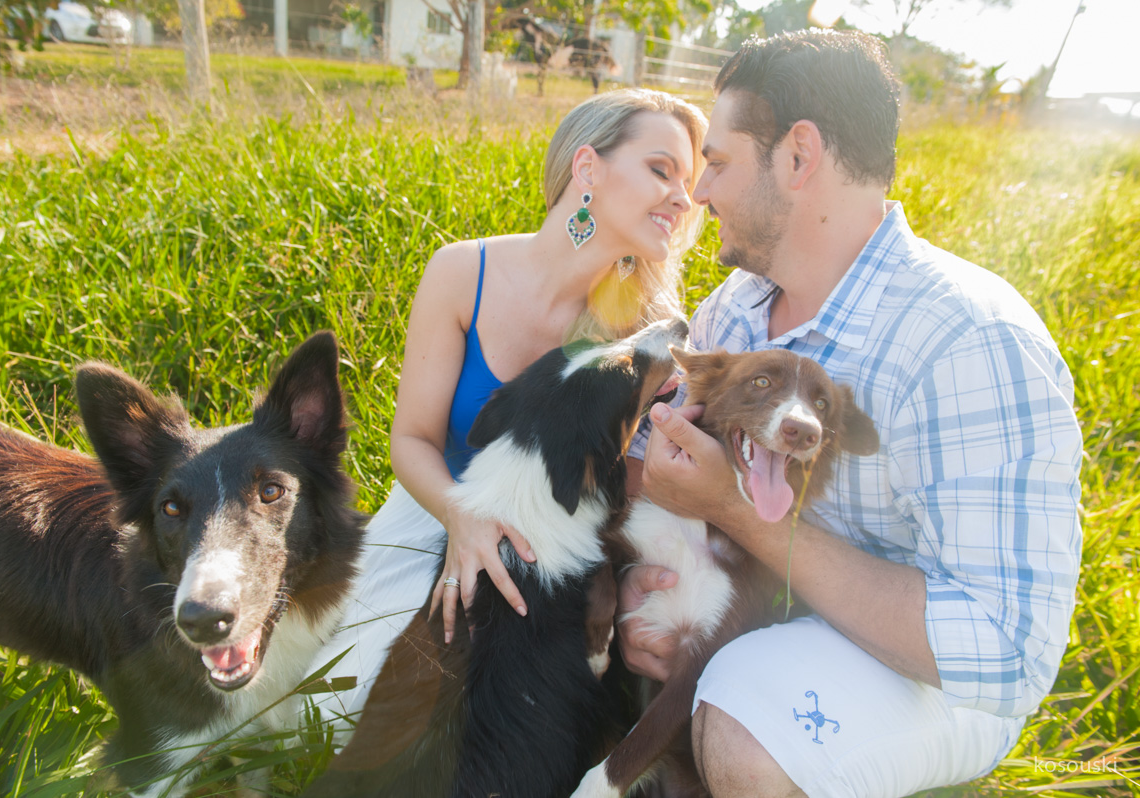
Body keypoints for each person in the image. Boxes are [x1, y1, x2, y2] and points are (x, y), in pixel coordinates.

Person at [616, 30, 1083, 798]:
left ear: (799, 158)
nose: (700, 193)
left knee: (746, 721)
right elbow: (671, 483)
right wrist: (656, 594)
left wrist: (739, 516)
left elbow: (1001, 651)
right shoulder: (735, 312)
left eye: (721, 163)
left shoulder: (967, 340)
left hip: (935, 680)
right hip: (774, 607)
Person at [306, 88, 708, 732]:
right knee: (338, 710)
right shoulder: (464, 270)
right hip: (440, 504)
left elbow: (630, 488)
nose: (684, 199)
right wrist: (462, 516)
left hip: (548, 549)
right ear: (588, 169)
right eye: (662, 170)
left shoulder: (647, 333)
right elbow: (411, 439)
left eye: (689, 182)